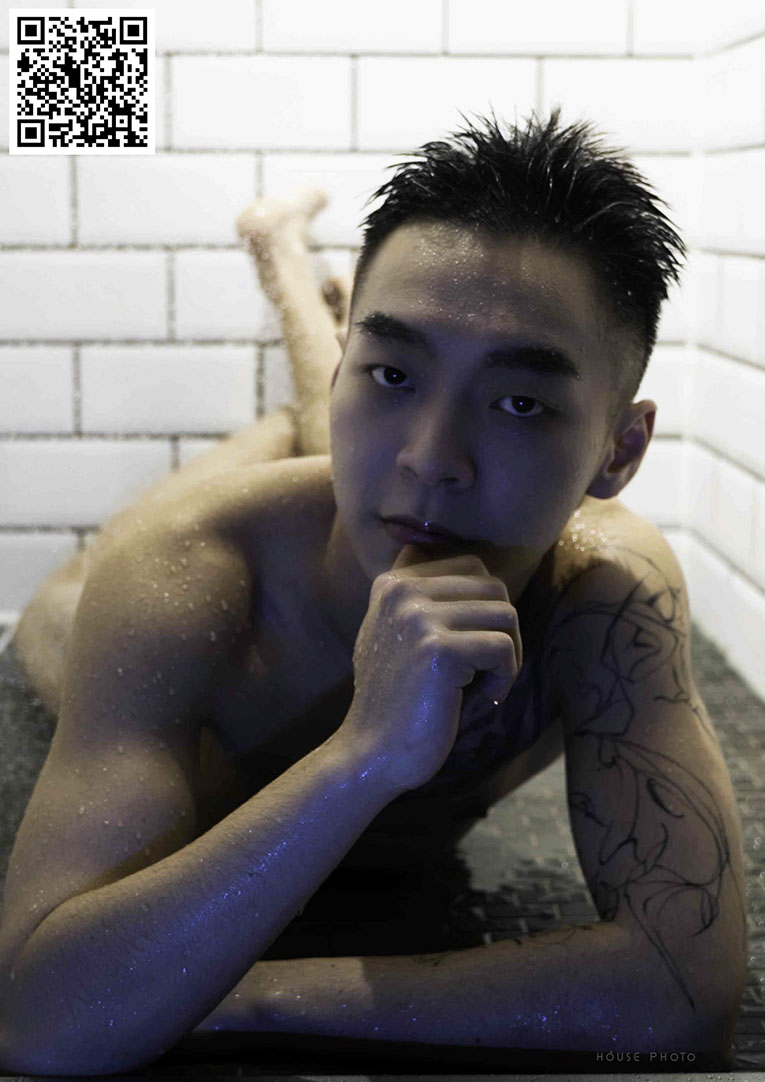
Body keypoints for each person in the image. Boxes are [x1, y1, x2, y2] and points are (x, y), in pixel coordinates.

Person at [0, 107, 747, 1075]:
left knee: (354, 467)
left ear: (619, 449)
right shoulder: (190, 575)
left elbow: (679, 990)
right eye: (387, 372)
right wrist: (361, 757)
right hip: (90, 623)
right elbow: (40, 1017)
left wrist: (235, 992)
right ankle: (285, 263)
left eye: (520, 402)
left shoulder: (603, 588)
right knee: (81, 595)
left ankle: (318, 305)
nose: (433, 458)